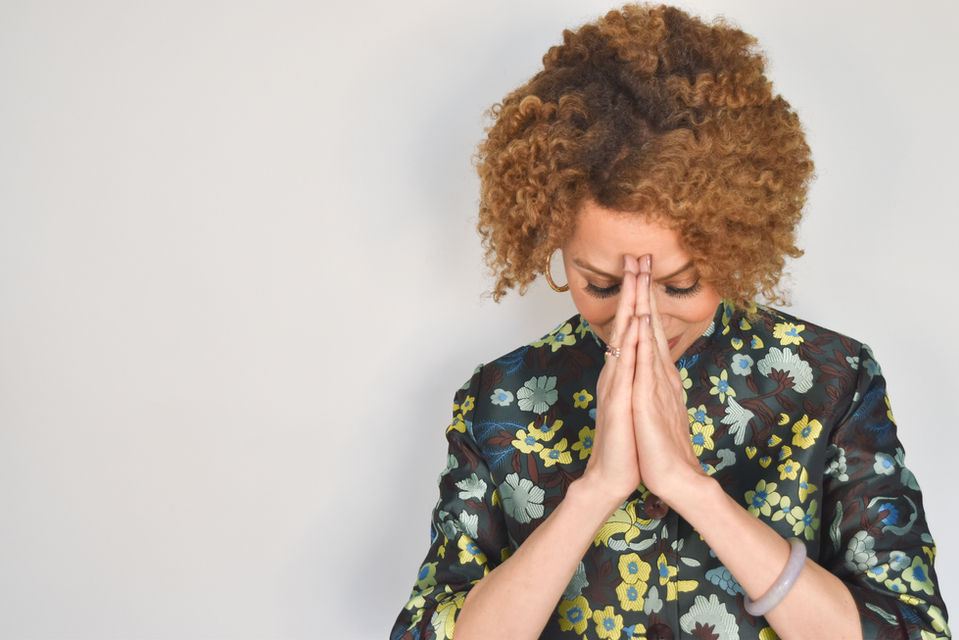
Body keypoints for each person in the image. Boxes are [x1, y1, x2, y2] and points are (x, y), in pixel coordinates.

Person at [390, 5, 950, 639]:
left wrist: (692, 489)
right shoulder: (499, 401)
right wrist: (594, 492)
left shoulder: (832, 381)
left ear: (735, 246)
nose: (642, 319)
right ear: (553, 244)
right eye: (602, 285)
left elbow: (912, 629)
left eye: (680, 284)